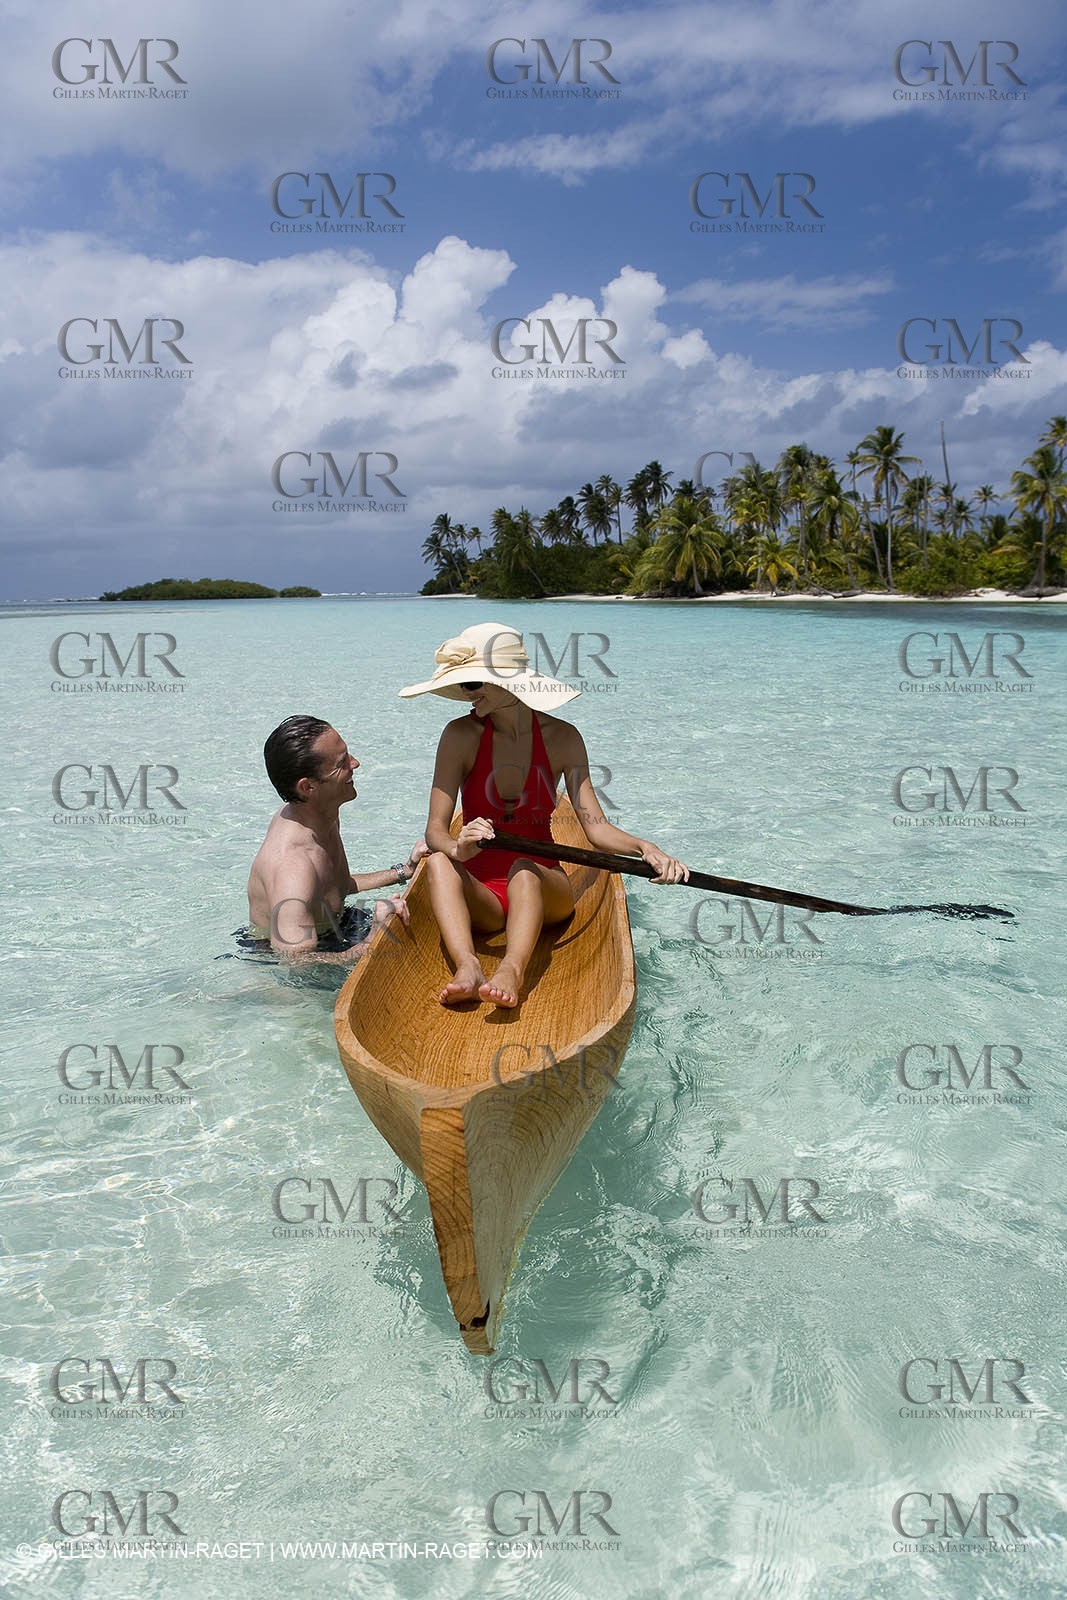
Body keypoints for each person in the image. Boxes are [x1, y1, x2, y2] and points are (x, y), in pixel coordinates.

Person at [399, 623, 688, 1007]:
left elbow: (596, 830)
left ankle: (512, 969)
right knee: (436, 863)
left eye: (471, 685)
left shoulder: (563, 738)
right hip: (481, 894)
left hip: (542, 884)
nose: (465, 696)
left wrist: (646, 848)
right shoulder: (459, 736)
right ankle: (467, 965)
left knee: (523, 868)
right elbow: (436, 829)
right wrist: (457, 850)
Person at [246, 714, 426, 962]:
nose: (356, 763)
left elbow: (337, 887)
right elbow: (295, 961)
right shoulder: (293, 867)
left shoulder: (321, 813)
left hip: (333, 929)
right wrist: (373, 939)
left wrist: (404, 870)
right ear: (308, 787)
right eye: (342, 763)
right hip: (285, 960)